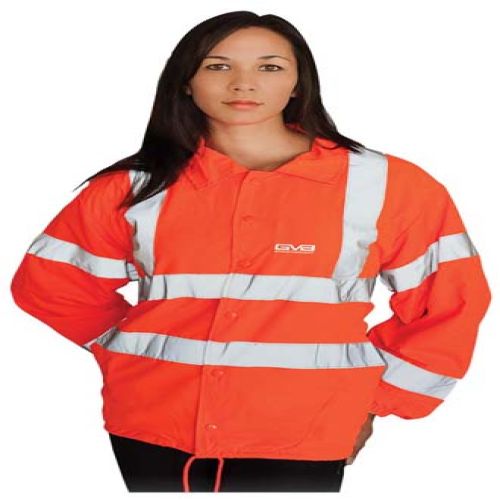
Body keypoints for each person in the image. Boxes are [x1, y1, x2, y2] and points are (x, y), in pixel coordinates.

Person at [10, 10, 491, 493]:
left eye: (270, 67)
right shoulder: (136, 187)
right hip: (153, 424)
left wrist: (377, 401)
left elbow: (451, 302)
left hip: (304, 428)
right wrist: (128, 351)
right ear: (186, 81)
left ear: (299, 83)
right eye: (218, 66)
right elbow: (50, 284)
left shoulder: (386, 184)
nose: (243, 83)